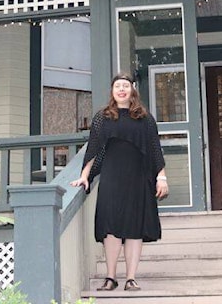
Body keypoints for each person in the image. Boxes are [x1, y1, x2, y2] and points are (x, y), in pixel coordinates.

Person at [70, 72, 167, 292]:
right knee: (111, 227)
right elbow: (93, 149)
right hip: (112, 177)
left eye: (125, 86)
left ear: (132, 90)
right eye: (117, 86)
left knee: (134, 228)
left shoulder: (145, 118)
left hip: (139, 177)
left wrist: (161, 177)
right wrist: (85, 175)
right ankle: (110, 277)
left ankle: (131, 278)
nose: (121, 89)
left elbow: (154, 149)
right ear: (112, 91)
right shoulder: (103, 117)